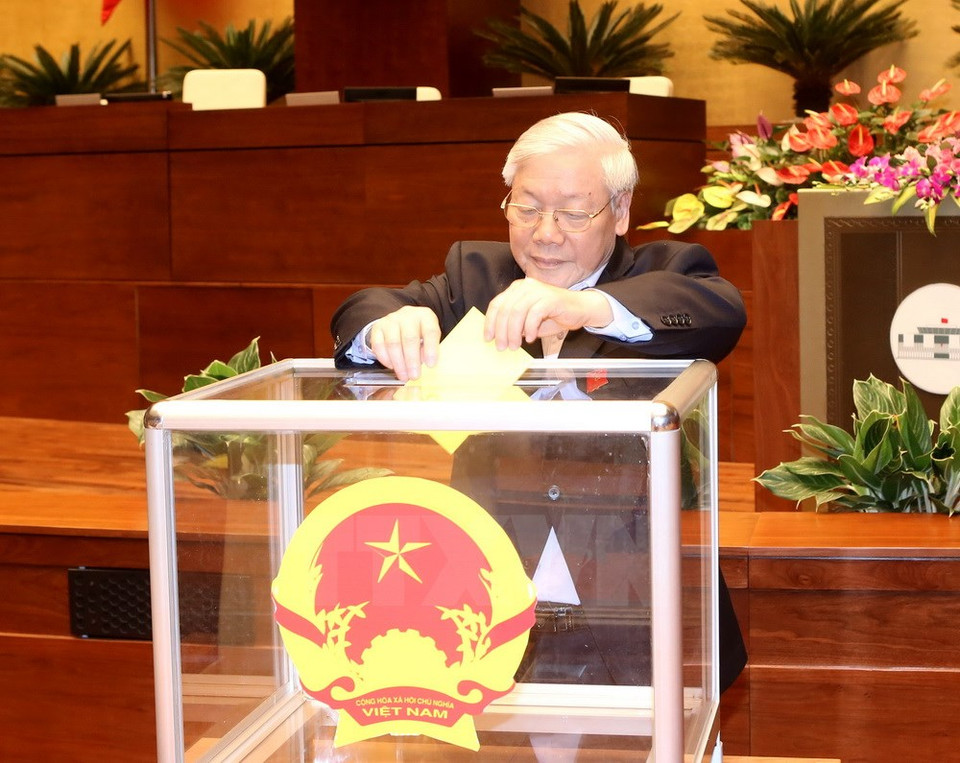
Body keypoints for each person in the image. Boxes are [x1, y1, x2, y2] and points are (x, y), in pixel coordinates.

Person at [331, 111, 748, 693]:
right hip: (491, 606)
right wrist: (386, 326)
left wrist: (591, 306)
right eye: (526, 208)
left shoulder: (668, 271)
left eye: (573, 213)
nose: (545, 232)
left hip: (630, 602)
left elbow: (719, 311)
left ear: (621, 212)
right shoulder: (474, 275)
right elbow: (363, 307)